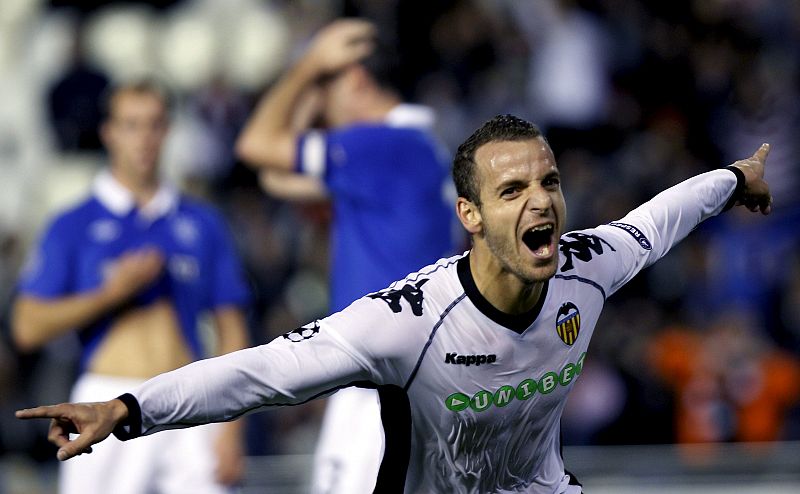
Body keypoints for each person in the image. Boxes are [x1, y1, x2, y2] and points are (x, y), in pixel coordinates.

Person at [16, 114, 773, 493]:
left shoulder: (586, 268)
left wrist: (737, 179)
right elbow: (260, 373)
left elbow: (661, 219)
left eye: (548, 182)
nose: (540, 201)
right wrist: (126, 410)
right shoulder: (409, 320)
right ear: (469, 216)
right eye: (512, 190)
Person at [235, 19, 457, 493]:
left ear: (355, 79)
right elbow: (274, 177)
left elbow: (254, 145)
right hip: (399, 373)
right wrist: (315, 86)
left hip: (377, 381)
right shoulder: (416, 147)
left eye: (326, 89)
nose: (321, 107)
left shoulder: (382, 145)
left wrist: (306, 67)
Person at [12, 80, 251, 494]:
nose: (144, 138)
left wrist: (233, 426)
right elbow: (27, 326)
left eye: (154, 125)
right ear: (108, 132)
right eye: (131, 125)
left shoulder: (202, 222)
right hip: (105, 397)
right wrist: (112, 293)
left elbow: (232, 327)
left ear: (168, 131)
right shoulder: (73, 225)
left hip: (186, 399)